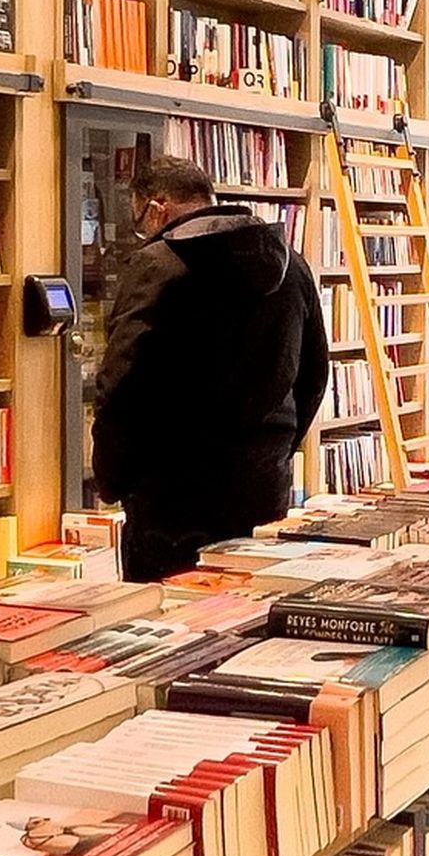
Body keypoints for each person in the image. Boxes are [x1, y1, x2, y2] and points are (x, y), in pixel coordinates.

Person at [93, 157, 328, 582]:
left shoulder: (157, 265)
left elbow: (121, 382)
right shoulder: (290, 264)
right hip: (262, 481)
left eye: (138, 218)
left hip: (170, 489)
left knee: (166, 608)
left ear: (157, 208)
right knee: (252, 598)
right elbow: (313, 372)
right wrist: (276, 447)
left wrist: (113, 478)